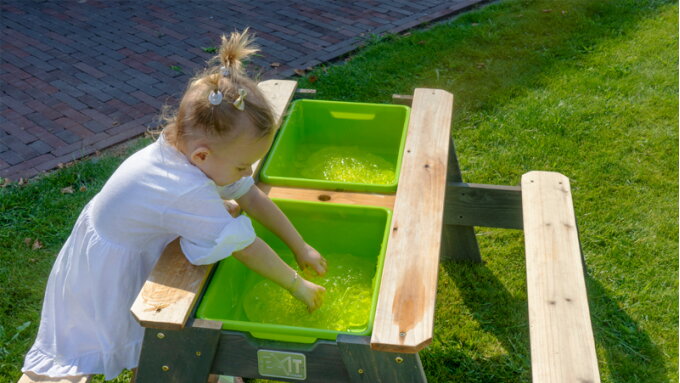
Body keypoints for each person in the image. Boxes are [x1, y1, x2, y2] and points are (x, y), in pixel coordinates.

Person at [19, 29, 327, 382]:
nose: (246, 173)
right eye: (243, 166)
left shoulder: (186, 147)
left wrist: (299, 245)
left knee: (140, 342)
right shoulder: (185, 189)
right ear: (201, 155)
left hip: (127, 245)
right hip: (103, 271)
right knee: (75, 354)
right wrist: (296, 285)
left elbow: (251, 195)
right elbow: (244, 247)